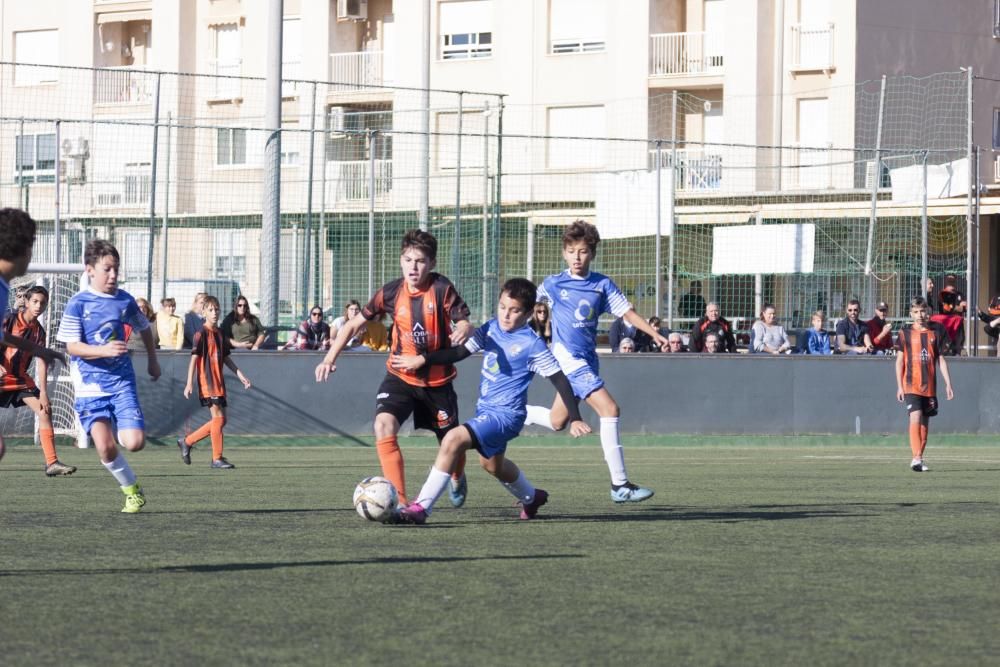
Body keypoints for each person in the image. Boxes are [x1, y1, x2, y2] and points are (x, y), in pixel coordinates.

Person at [392, 278, 591, 524]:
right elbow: (459, 353)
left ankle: (421, 508)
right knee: (492, 466)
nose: (506, 315)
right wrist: (423, 359)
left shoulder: (533, 345)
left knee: (453, 439)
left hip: (507, 416)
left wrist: (576, 418)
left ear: (529, 313)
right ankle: (532, 497)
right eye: (502, 307)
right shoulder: (491, 328)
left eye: (515, 310)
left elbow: (560, 379)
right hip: (486, 410)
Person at [314, 230, 474, 507]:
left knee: (451, 445)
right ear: (401, 261)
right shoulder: (389, 292)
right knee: (383, 425)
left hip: (437, 383)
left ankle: (458, 475)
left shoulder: (441, 289)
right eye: (408, 259)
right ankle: (399, 502)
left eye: (420, 261)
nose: (413, 266)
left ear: (432, 264)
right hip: (400, 376)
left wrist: (463, 327)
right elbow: (352, 325)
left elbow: (464, 322)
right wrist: (329, 358)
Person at [523, 220, 666, 503]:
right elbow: (525, 303)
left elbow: (627, 313)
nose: (577, 257)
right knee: (610, 409)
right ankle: (619, 485)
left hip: (587, 359)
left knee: (556, 421)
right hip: (568, 359)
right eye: (572, 251)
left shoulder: (601, 284)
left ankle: (516, 410)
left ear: (593, 253)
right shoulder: (553, 283)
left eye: (584, 251)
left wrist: (654, 333)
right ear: (564, 253)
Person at [56, 238, 161, 513]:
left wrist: (152, 360)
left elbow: (145, 328)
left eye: (116, 269)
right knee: (105, 448)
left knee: (135, 443)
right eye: (107, 269)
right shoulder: (78, 304)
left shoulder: (124, 300)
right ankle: (132, 490)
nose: (113, 275)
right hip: (90, 387)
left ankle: (127, 438)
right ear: (90, 269)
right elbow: (71, 346)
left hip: (121, 383)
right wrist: (102, 350)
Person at [0, 285, 75, 475]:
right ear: (26, 301)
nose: (38, 305)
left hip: (19, 380)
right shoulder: (8, 320)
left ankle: (52, 463)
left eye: (42, 303)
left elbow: (42, 362)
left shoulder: (39, 332)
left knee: (44, 411)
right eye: (35, 301)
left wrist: (43, 392)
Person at [178, 295, 252, 469]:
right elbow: (193, 360)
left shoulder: (219, 334)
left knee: (221, 420)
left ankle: (187, 442)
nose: (214, 313)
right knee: (218, 418)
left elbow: (226, 358)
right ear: (203, 312)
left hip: (219, 383)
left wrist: (240, 375)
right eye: (210, 310)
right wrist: (189, 384)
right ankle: (216, 458)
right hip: (208, 383)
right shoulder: (200, 334)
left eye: (216, 309)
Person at [895, 296, 954, 472]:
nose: (920, 315)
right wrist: (899, 386)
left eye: (923, 311)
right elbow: (899, 362)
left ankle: (919, 458)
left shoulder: (937, 331)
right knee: (915, 416)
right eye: (916, 312)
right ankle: (916, 457)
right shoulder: (904, 333)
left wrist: (948, 384)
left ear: (928, 311)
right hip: (911, 385)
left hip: (930, 387)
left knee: (925, 424)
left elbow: (941, 359)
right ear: (911, 314)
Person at [933, 274, 966, 355]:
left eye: (952, 279)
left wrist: (953, 307)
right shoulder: (943, 293)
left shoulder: (960, 294)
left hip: (958, 324)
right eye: (949, 279)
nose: (951, 280)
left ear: (955, 280)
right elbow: (946, 308)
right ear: (945, 280)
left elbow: (965, 307)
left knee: (959, 343)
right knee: (946, 346)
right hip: (946, 324)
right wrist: (958, 307)